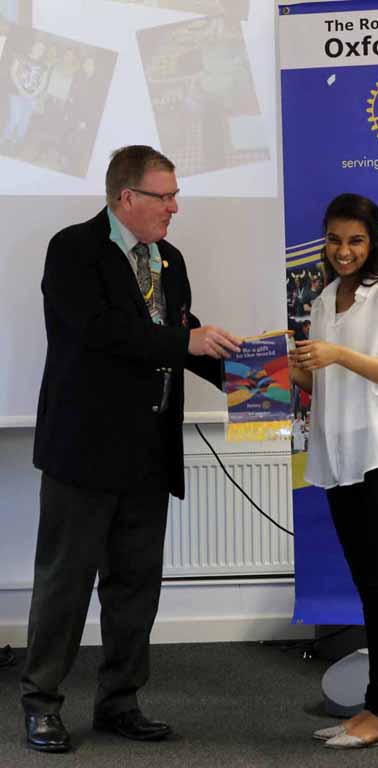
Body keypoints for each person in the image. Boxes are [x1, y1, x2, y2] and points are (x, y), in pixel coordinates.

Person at [21, 145, 241, 753]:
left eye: (174, 195)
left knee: (135, 586)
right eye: (164, 196)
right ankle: (41, 703)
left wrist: (258, 377)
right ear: (127, 198)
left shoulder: (168, 258)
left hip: (148, 451)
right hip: (83, 451)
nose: (175, 207)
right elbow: (101, 334)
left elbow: (183, 336)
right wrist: (186, 340)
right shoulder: (74, 249)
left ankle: (120, 701)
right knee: (65, 583)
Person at [289, 193, 378, 750]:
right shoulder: (324, 300)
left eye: (354, 240)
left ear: (372, 242)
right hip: (339, 457)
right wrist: (281, 369)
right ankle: (376, 707)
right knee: (369, 585)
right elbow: (321, 384)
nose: (342, 251)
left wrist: (336, 354)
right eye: (333, 240)